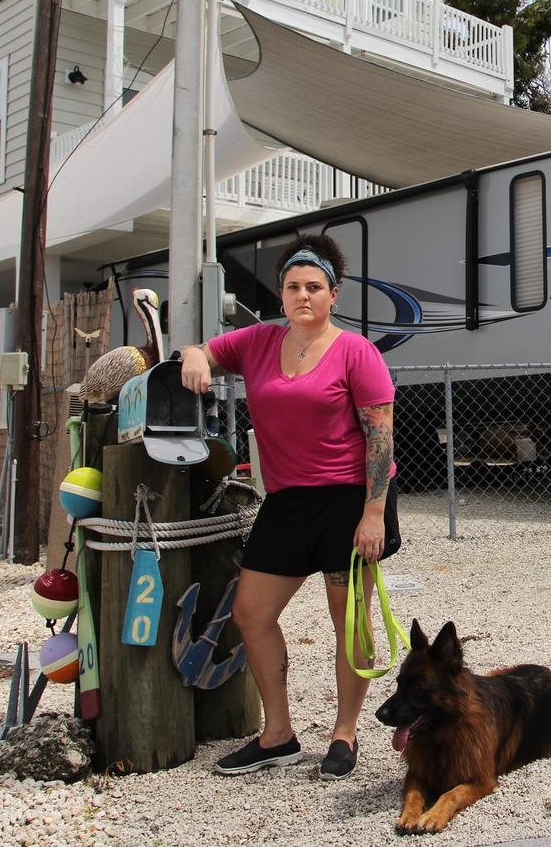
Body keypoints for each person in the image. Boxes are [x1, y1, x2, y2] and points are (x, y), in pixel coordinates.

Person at [180, 233, 401, 781]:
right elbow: (204, 349)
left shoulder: (356, 351)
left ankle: (344, 732)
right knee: (251, 613)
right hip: (286, 501)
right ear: (281, 294)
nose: (303, 295)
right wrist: (193, 358)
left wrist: (373, 514)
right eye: (293, 286)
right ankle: (277, 735)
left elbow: (380, 437)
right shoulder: (256, 343)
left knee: (348, 621)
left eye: (314, 287)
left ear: (333, 295)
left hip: (350, 501)